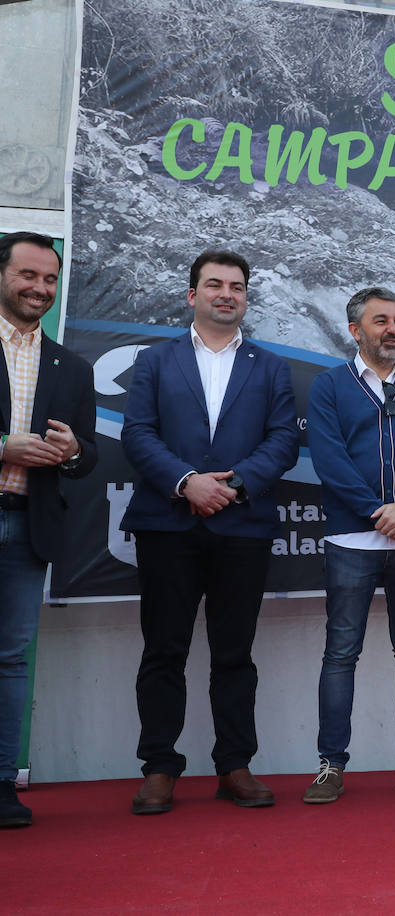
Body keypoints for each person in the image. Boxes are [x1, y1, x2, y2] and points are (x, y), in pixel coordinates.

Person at [121, 249, 299, 815]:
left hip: (241, 526)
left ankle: (235, 766)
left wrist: (235, 485)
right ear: (192, 293)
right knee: (163, 650)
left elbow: (284, 441)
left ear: (246, 298)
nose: (227, 293)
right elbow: (137, 433)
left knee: (235, 653)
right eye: (215, 284)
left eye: (238, 286)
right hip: (168, 524)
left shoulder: (271, 367)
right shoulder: (154, 361)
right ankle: (158, 769)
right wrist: (187, 482)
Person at [305, 286, 395, 804]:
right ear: (355, 330)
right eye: (380, 320)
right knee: (341, 651)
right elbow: (329, 460)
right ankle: (330, 766)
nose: (392, 328)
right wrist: (378, 512)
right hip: (352, 539)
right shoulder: (329, 387)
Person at [0, 232, 97, 828]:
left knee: (11, 660)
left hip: (29, 527)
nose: (40, 288)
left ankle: (2, 784)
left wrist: (70, 452)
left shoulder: (70, 364)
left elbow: (87, 459)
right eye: (28, 275)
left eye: (49, 280)